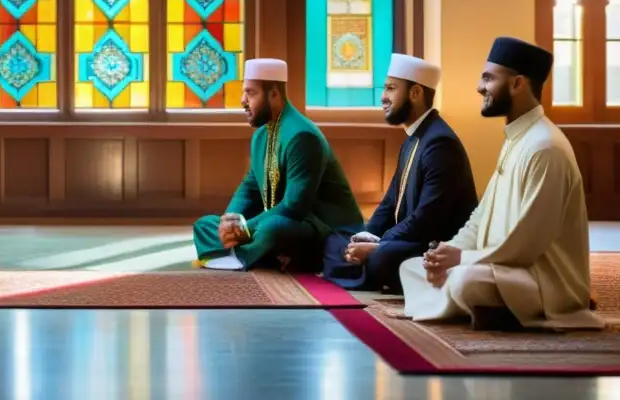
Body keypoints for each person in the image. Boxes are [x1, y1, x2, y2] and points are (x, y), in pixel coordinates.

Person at [400, 37, 605, 330]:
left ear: (517, 83)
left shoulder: (544, 147)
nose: (480, 87)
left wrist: (462, 260)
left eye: (488, 78)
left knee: (464, 280)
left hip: (541, 277)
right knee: (412, 266)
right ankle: (489, 310)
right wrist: (448, 251)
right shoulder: (517, 138)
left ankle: (542, 309)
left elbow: (527, 245)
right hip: (499, 267)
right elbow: (480, 216)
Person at [322, 54, 478, 293]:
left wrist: (380, 245)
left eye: (391, 89)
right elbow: (390, 202)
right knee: (338, 237)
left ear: (415, 93)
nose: (383, 97)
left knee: (383, 257)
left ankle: (368, 266)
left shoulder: (440, 143)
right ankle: (365, 264)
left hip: (431, 243)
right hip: (408, 236)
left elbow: (426, 220)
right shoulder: (414, 137)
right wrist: (368, 235)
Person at [193, 58, 364, 272]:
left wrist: (244, 228)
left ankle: (244, 255)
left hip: (321, 227)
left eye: (250, 93)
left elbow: (294, 206)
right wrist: (229, 223)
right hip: (279, 221)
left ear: (274, 94)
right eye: (244, 92)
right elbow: (250, 187)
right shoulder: (261, 136)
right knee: (205, 224)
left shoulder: (302, 136)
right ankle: (258, 255)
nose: (243, 100)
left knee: (273, 228)